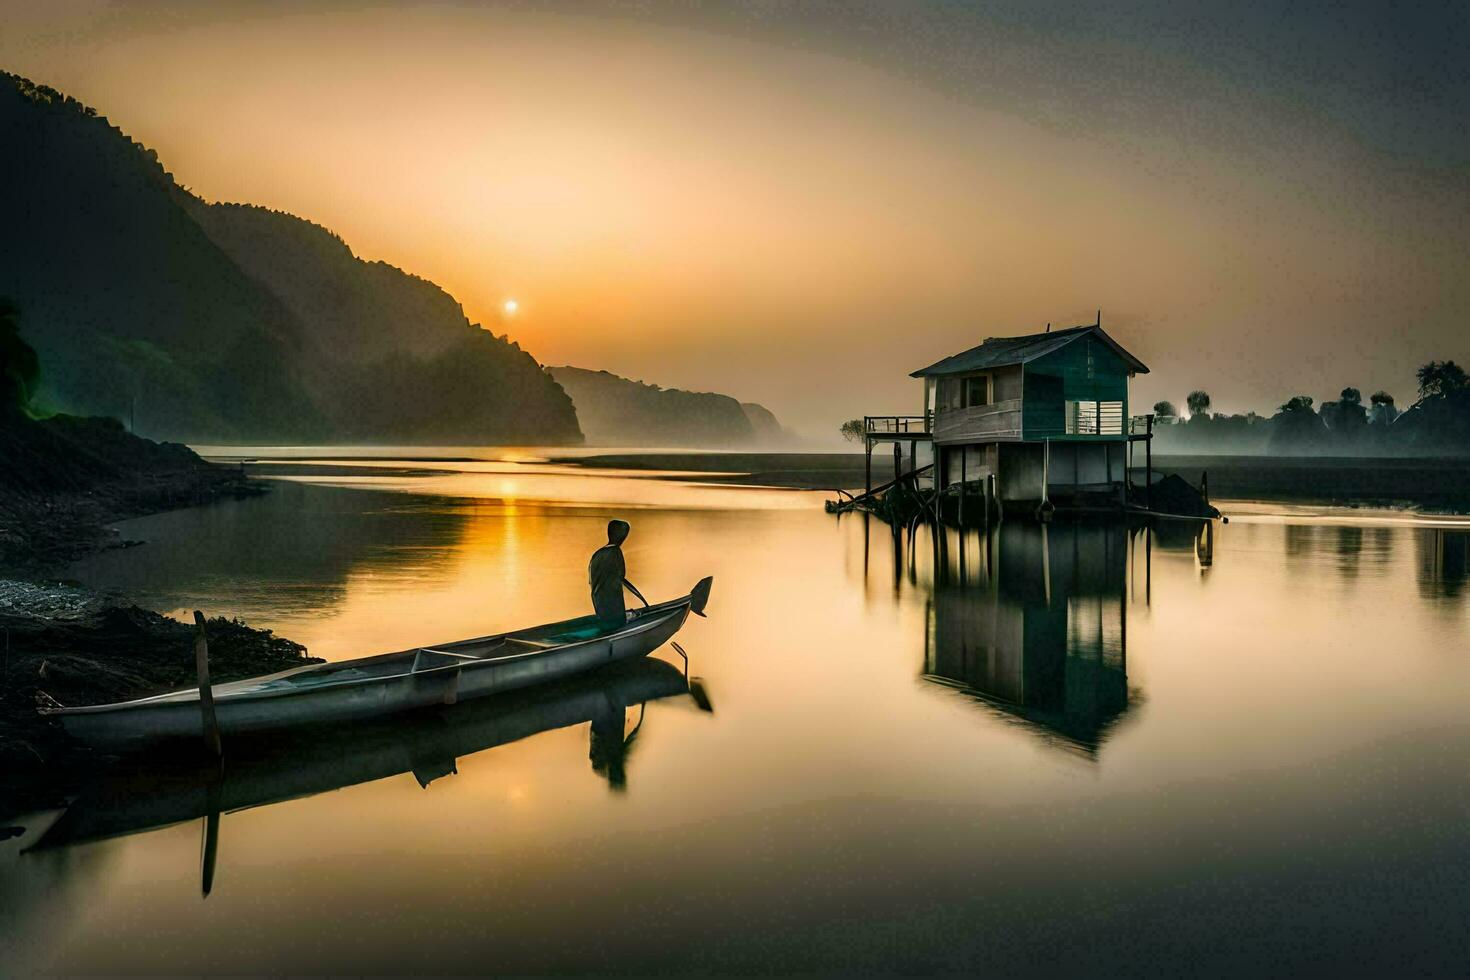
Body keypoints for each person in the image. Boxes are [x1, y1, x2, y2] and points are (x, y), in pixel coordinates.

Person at [589, 519, 645, 624]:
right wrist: (641, 599)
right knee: (618, 622)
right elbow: (621, 575)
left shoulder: (597, 554)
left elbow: (591, 580)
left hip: (598, 600)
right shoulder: (615, 551)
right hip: (612, 598)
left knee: (608, 622)